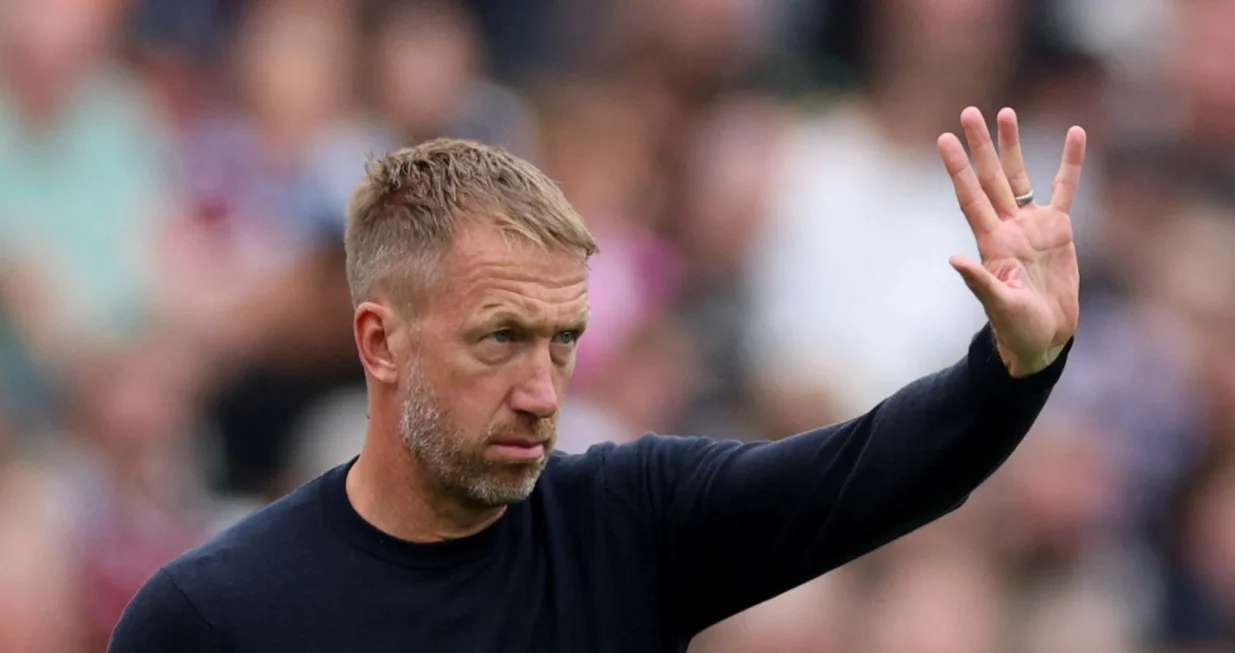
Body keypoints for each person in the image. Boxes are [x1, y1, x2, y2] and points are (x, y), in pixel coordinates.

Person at [108, 106, 1087, 652]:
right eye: (499, 337)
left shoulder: (631, 523)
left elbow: (876, 469)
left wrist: (1016, 361)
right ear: (380, 342)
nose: (542, 389)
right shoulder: (211, 617)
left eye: (564, 340)